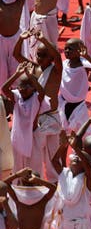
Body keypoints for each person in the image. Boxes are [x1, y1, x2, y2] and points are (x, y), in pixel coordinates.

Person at [12, 29, 62, 181]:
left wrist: (44, 40)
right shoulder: (33, 67)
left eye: (43, 55)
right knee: (36, 154)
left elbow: (58, 57)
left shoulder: (56, 70)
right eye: (38, 54)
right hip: (36, 120)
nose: (39, 58)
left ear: (51, 57)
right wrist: (21, 38)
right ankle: (35, 180)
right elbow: (16, 55)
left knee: (53, 155)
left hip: (52, 118)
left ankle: (55, 183)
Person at [51, 130, 91, 229]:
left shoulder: (87, 179)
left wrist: (76, 148)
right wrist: (63, 146)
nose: (74, 158)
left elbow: (88, 168)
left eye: (79, 159)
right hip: (65, 225)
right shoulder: (65, 174)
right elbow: (54, 161)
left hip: (80, 226)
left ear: (84, 165)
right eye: (73, 157)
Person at [1, 62, 45, 172]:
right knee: (17, 168)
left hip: (33, 137)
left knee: (34, 168)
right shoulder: (17, 96)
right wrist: (17, 74)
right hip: (18, 137)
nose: (22, 89)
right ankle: (16, 188)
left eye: (27, 86)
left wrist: (31, 76)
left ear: (34, 88)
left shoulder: (36, 98)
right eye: (21, 85)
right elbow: (4, 89)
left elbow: (42, 92)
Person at [58, 38, 91, 132]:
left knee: (82, 133)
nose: (66, 51)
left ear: (80, 50)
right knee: (62, 132)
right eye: (65, 48)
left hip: (78, 106)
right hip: (63, 102)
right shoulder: (64, 63)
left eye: (70, 49)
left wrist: (87, 56)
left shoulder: (83, 64)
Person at [0, 0, 27, 86]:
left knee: (16, 71)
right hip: (1, 40)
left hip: (16, 39)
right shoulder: (1, 1)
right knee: (1, 71)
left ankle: (15, 99)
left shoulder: (19, 1)